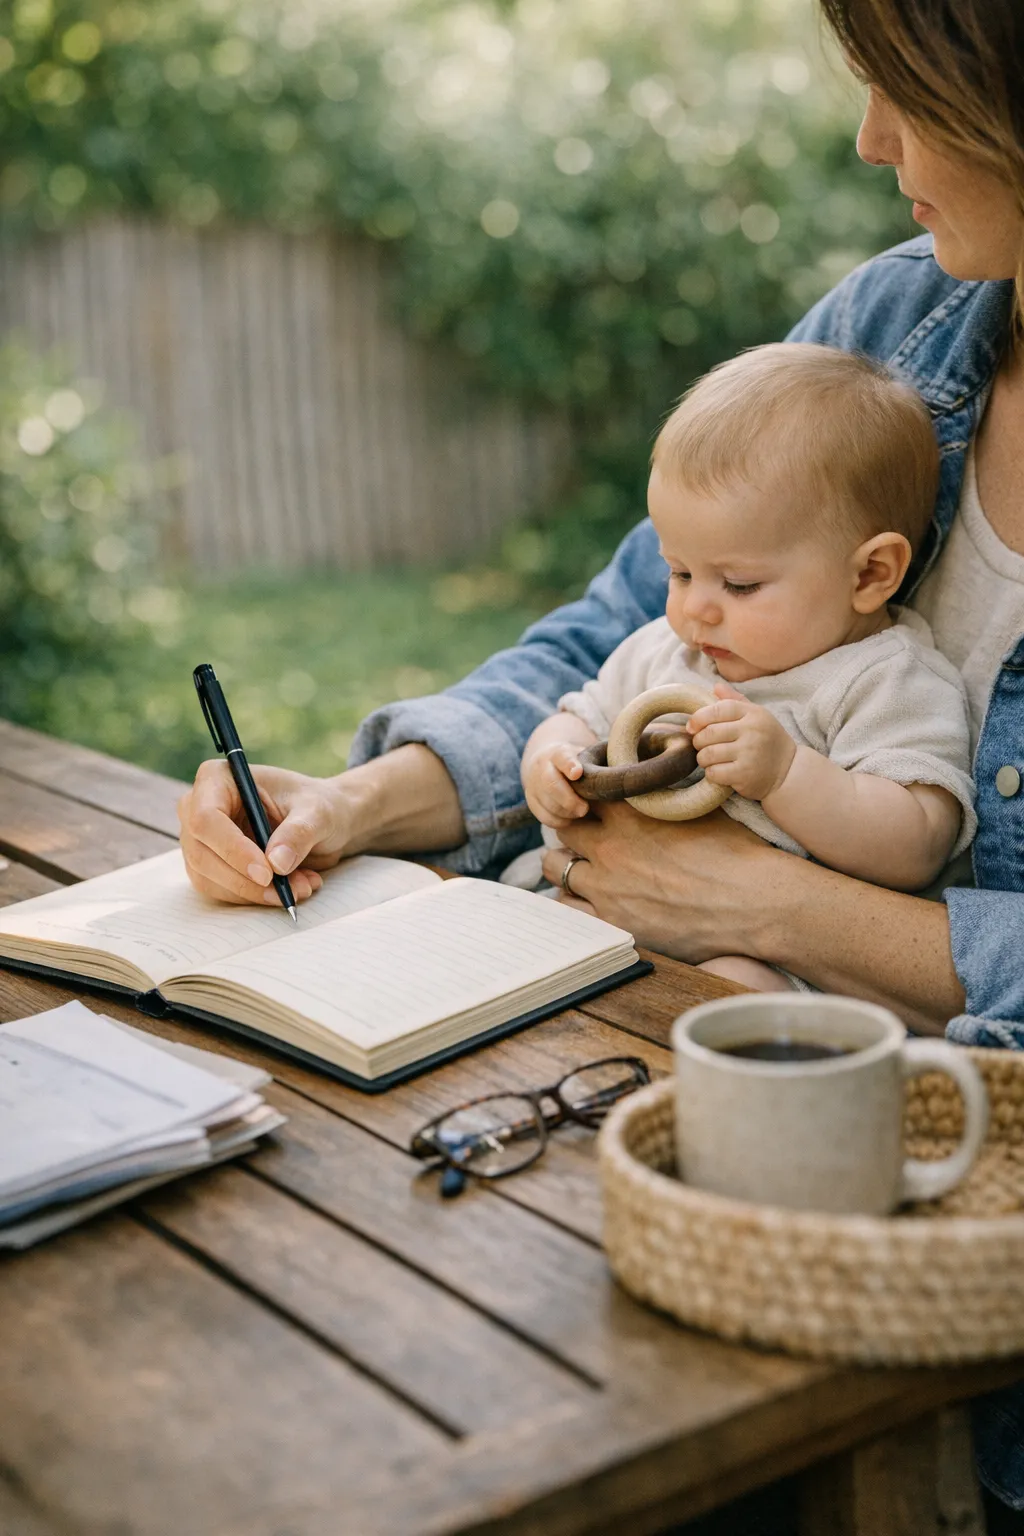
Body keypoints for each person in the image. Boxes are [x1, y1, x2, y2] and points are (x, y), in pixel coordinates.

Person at [179, 0, 1024, 1514]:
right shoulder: (893, 330)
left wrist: (762, 908)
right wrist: (361, 801)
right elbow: (616, 635)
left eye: (908, 92)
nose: (870, 139)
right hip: (610, 1121)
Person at [517, 343, 975, 991]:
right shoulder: (666, 651)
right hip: (609, 909)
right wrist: (551, 762)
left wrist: (787, 773)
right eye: (678, 571)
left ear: (870, 573)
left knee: (735, 987)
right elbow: (577, 717)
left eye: (738, 584)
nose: (696, 610)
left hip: (776, 964)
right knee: (528, 934)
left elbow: (919, 841)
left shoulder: (885, 680)